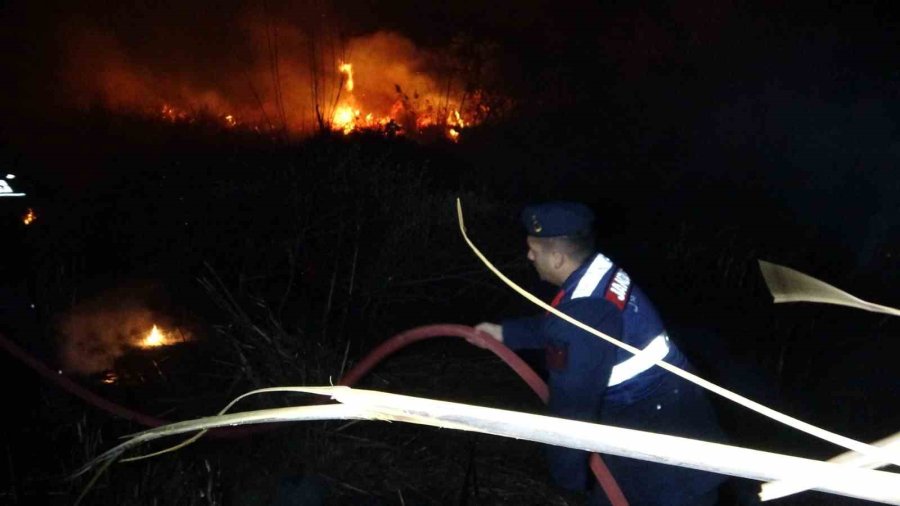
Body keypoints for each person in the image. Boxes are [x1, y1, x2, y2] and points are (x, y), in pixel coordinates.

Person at [474, 201, 728, 505]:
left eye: (534, 249)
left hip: (664, 462)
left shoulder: (584, 314)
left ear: (556, 258)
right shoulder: (600, 271)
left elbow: (572, 409)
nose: (529, 256)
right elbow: (568, 325)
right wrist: (506, 334)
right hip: (672, 421)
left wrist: (567, 477)